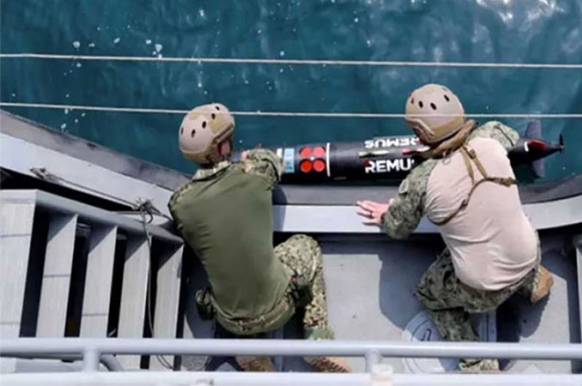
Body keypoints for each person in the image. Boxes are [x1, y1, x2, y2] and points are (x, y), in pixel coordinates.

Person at [356, 84, 554, 373]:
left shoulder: (420, 181)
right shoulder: (492, 135)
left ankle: (477, 362)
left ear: (420, 134)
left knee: (429, 293)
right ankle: (533, 282)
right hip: (529, 255)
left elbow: (398, 228)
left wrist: (387, 214)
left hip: (484, 289)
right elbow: (511, 136)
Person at [168, 103, 351, 373]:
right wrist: (250, 155)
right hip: (278, 307)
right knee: (306, 245)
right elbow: (272, 162)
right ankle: (317, 340)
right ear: (223, 146)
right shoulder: (254, 172)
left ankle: (249, 350)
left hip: (230, 321)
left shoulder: (179, 204)